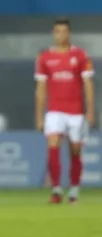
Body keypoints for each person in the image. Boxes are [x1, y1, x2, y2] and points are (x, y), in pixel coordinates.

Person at [35, 18, 94, 204]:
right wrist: (39, 115)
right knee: (53, 144)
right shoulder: (45, 58)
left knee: (75, 150)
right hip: (55, 110)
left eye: (64, 31)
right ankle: (56, 189)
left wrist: (91, 111)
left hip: (76, 111)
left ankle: (74, 190)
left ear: (69, 33)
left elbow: (88, 85)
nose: (61, 35)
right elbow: (41, 89)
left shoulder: (81, 55)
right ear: (54, 33)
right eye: (58, 31)